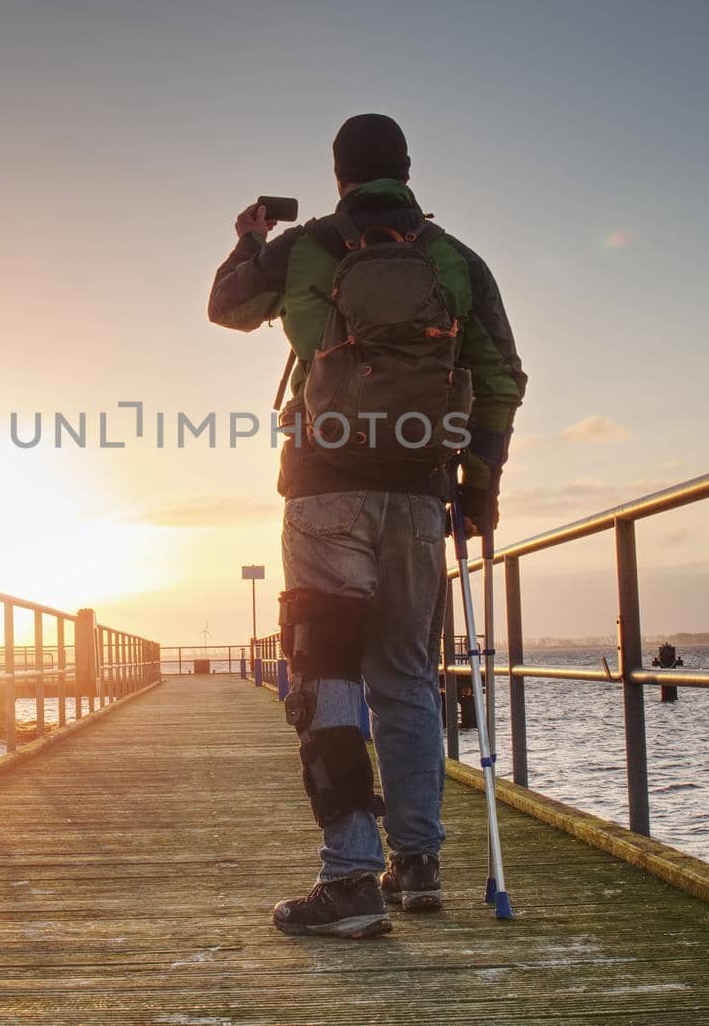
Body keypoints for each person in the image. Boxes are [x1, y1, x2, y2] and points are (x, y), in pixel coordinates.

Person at [207, 113, 526, 938]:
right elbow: (501, 376)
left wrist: (249, 240)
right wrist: (479, 484)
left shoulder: (307, 244)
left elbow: (228, 308)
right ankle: (417, 863)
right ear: (408, 169)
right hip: (422, 493)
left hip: (324, 490)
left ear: (339, 175)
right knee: (409, 675)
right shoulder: (456, 259)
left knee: (329, 672)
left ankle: (350, 876)